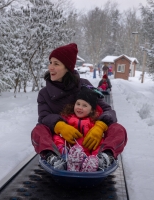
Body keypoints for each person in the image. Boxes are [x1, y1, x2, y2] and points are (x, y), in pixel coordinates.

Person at [31, 43, 127, 171]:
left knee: (118, 129)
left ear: (68, 68)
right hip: (61, 143)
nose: (50, 67)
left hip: (89, 139)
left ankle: (103, 158)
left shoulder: (84, 85)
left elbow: (107, 110)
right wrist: (60, 126)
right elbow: (43, 117)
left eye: (56, 64)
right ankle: (54, 159)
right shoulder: (44, 93)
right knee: (38, 131)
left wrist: (100, 127)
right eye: (50, 62)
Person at [53, 86, 106, 172]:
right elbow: (58, 136)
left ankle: (88, 167)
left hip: (86, 157)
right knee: (73, 154)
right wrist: (61, 148)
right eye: (78, 104)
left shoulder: (93, 124)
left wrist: (94, 156)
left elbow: (99, 143)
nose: (80, 107)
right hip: (67, 155)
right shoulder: (67, 120)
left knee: (97, 144)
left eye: (84, 105)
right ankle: (72, 166)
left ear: (92, 110)